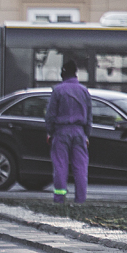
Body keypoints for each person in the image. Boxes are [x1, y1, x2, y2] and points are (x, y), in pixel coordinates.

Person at [45, 59, 92, 203]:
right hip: (79, 132)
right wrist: (86, 134)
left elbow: (51, 114)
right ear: (76, 74)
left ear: (63, 74)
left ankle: (59, 199)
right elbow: (89, 115)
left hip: (61, 132)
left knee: (60, 166)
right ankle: (80, 200)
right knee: (81, 168)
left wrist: (50, 132)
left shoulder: (58, 90)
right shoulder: (84, 91)